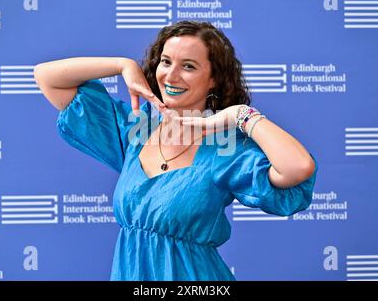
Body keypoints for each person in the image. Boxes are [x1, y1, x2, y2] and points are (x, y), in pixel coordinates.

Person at [34, 20, 318, 281]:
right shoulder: (136, 129)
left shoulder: (226, 147)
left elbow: (298, 168)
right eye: (166, 61)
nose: (171, 75)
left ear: (214, 79)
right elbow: (47, 77)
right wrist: (123, 65)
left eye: (189, 66)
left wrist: (240, 115)